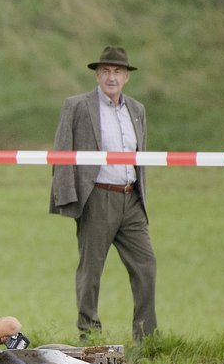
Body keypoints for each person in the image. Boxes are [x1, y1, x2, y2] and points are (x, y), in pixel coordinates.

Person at [49, 45, 157, 341]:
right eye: (106, 71)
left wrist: (140, 195)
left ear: (127, 77)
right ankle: (90, 335)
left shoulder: (137, 110)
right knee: (91, 270)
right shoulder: (78, 106)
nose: (112, 77)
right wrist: (67, 198)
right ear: (97, 75)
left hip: (131, 198)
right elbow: (62, 151)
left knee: (146, 265)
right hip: (97, 197)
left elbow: (140, 156)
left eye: (118, 72)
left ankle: (146, 337)